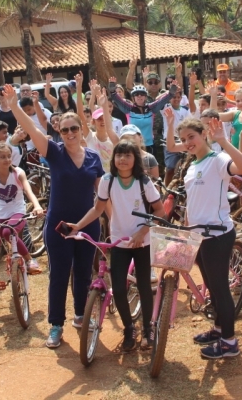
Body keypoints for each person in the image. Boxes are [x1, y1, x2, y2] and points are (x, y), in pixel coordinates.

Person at [3, 85, 105, 349]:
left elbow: (102, 196)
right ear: (59, 133)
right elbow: (34, 129)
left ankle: (81, 316)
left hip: (88, 225)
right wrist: (14, 106)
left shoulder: (94, 159)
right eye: (64, 130)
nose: (70, 133)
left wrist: (110, 222)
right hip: (59, 225)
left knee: (83, 273)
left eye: (74, 128)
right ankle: (56, 325)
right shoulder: (54, 152)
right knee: (59, 274)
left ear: (82, 129)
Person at [164, 115, 242, 359]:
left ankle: (229, 342)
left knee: (220, 288)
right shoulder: (193, 164)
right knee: (211, 287)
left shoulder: (218, 160)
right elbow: (193, 200)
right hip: (198, 234)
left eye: (191, 137)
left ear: (203, 134)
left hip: (217, 234)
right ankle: (218, 329)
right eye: (184, 139)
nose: (187, 142)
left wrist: (223, 141)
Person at [65, 141, 164, 351]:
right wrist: (78, 226)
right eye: (119, 155)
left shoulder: (143, 182)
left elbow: (159, 211)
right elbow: (97, 209)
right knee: (118, 289)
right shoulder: (108, 181)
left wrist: (142, 231)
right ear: (114, 159)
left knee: (144, 286)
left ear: (135, 159)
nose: (122, 159)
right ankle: (129, 329)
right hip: (119, 242)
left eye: (128, 155)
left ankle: (148, 328)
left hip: (142, 242)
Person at [0, 142, 43, 312]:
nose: (6, 160)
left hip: (17, 214)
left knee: (7, 232)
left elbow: (28, 191)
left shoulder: (18, 173)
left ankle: (29, 259)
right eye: (2, 157)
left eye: (8, 156)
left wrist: (36, 206)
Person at [109, 76, 176, 172]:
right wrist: (112, 88)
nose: (139, 96)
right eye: (136, 94)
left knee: (151, 172)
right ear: (133, 97)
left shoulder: (150, 108)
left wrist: (171, 92)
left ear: (145, 96)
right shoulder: (129, 109)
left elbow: (162, 101)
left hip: (149, 146)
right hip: (133, 146)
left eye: (142, 94)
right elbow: (116, 98)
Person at [210, 85, 242, 157]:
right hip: (236, 158)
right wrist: (213, 97)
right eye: (238, 101)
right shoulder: (235, 114)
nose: (240, 103)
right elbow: (213, 115)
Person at [78, 81, 114, 169]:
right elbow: (80, 115)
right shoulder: (90, 136)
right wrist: (79, 89)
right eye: (99, 119)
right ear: (93, 122)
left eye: (104, 118)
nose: (102, 121)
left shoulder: (113, 139)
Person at [161, 88, 192, 184]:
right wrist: (169, 91)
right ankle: (167, 190)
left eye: (179, 97)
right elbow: (158, 100)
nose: (176, 99)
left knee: (187, 166)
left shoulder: (185, 109)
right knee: (170, 168)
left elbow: (190, 123)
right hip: (171, 140)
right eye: (174, 97)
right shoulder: (165, 107)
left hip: (183, 141)